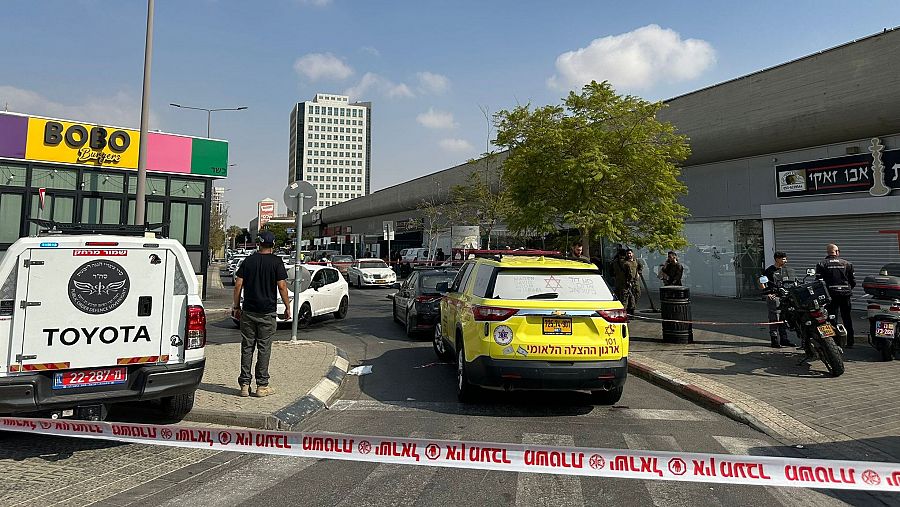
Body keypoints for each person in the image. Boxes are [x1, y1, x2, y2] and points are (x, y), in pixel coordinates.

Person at [232, 231, 291, 398]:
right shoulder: (276, 262)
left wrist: (236, 306)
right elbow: (282, 286)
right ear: (272, 245)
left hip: (248, 311)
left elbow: (238, 285)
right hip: (267, 312)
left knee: (247, 347)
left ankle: (244, 385)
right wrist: (287, 307)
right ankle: (262, 386)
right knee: (264, 349)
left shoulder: (248, 261)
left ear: (258, 244)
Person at [816, 244, 856, 347]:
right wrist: (847, 289)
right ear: (837, 252)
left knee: (830, 318)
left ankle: (832, 342)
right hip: (845, 295)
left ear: (827, 252)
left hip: (830, 295)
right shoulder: (847, 264)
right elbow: (853, 282)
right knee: (847, 317)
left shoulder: (821, 264)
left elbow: (818, 282)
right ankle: (850, 341)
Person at [761, 251, 794, 348]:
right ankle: (774, 339)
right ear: (777, 259)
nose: (785, 261)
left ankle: (784, 339)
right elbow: (761, 281)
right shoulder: (770, 270)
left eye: (785, 259)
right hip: (775, 297)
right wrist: (768, 293)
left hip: (785, 297)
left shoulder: (786, 270)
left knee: (784, 318)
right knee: (775, 318)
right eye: (783, 259)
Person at [614, 249, 642, 315]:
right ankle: (627, 313)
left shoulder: (636, 260)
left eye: (630, 253)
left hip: (634, 282)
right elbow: (628, 273)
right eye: (628, 253)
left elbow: (640, 267)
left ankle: (630, 310)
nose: (629, 255)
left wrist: (638, 273)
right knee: (626, 298)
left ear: (633, 253)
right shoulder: (625, 263)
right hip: (626, 283)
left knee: (636, 295)